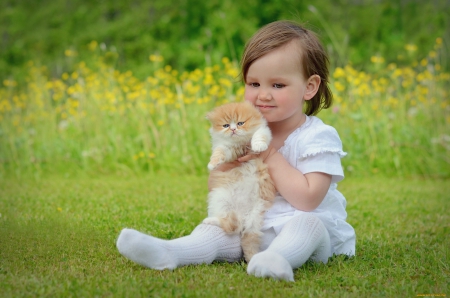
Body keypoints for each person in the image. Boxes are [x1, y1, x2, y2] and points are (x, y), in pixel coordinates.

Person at [116, 20, 355, 282]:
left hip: (309, 237)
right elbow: (216, 186)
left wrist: (269, 155)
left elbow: (308, 199)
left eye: (277, 85)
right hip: (251, 231)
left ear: (309, 87)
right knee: (216, 229)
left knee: (307, 225)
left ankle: (278, 259)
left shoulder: (318, 136)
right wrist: (226, 165)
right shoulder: (242, 133)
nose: (263, 95)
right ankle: (172, 251)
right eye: (254, 84)